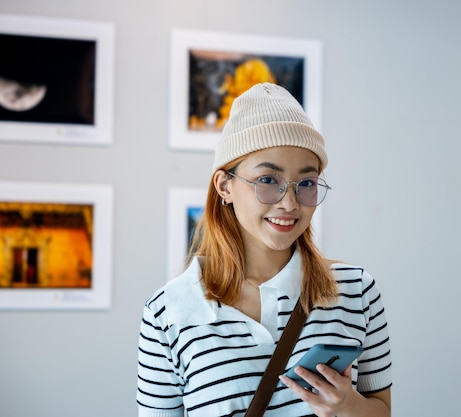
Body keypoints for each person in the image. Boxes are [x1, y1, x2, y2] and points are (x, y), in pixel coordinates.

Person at [137, 82, 392, 417]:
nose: (289, 203)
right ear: (225, 186)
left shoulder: (357, 291)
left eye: (306, 183)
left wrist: (348, 407)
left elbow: (382, 411)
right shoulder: (166, 313)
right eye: (268, 180)